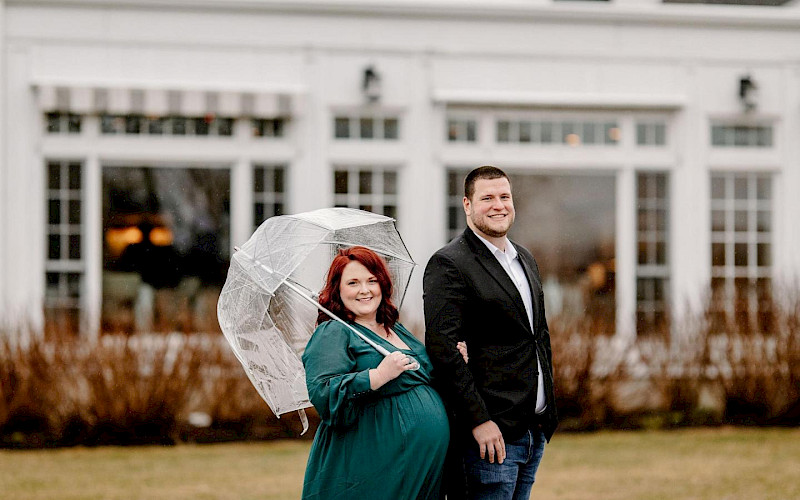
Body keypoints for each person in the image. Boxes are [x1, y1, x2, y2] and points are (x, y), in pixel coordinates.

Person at [423, 166, 558, 500]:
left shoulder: (524, 258)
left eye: (504, 196)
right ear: (467, 205)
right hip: (490, 437)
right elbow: (443, 350)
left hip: (533, 430)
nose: (499, 205)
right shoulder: (449, 263)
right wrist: (479, 420)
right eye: (487, 198)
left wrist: (546, 414)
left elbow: (536, 336)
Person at [302, 246, 450, 500]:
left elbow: (423, 375)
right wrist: (377, 376)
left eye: (372, 280)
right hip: (373, 463)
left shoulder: (395, 328)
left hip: (420, 466)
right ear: (337, 289)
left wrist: (452, 359)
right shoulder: (334, 332)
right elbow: (324, 393)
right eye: (353, 283)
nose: (365, 290)